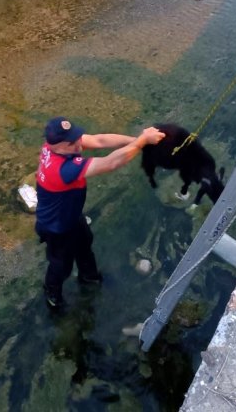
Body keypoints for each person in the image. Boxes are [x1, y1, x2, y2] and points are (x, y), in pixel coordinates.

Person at [35, 116, 166, 309]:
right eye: (72, 143)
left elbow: (99, 140)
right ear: (59, 147)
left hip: (71, 215)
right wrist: (141, 141)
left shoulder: (55, 145)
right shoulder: (63, 170)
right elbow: (110, 163)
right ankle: (52, 294)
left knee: (85, 243)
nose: (79, 144)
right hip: (56, 227)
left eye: (77, 137)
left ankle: (89, 277)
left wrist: (139, 141)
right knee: (61, 265)